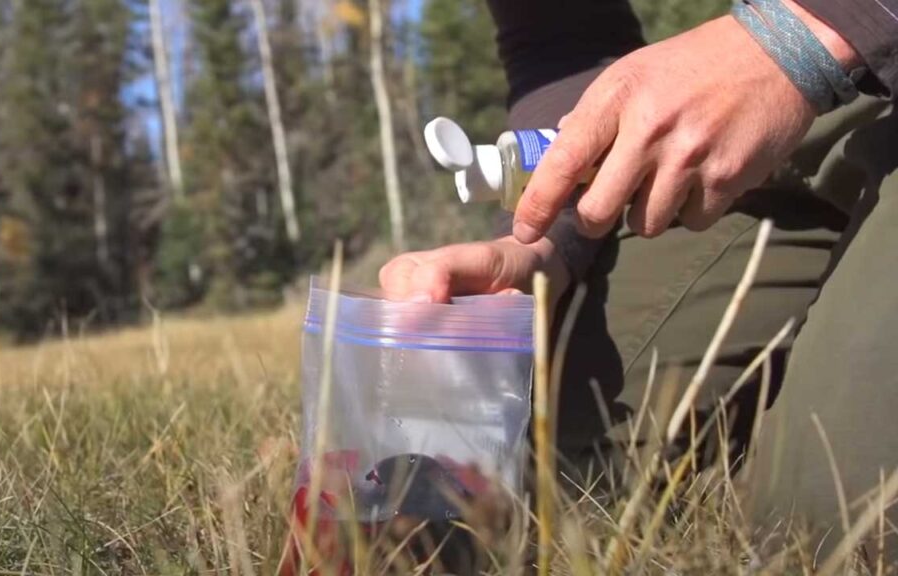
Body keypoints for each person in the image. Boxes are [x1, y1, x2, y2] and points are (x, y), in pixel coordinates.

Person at [379, 0, 898, 559]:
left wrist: (799, 37)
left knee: (838, 519)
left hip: (820, 41)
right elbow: (564, 41)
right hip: (782, 119)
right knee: (553, 487)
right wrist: (543, 242)